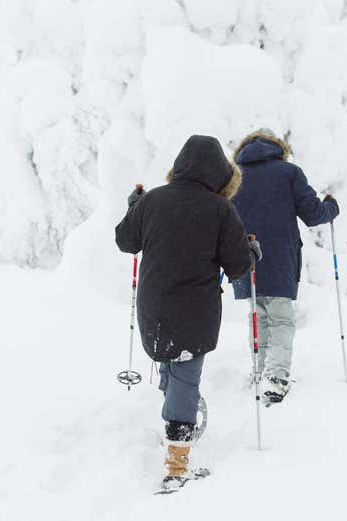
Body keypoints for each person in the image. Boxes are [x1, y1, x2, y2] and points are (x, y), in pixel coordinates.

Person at [115, 135, 261, 493]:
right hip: (194, 310)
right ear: (219, 174)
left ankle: (178, 409)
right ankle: (177, 461)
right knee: (184, 375)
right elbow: (239, 264)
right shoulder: (219, 208)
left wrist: (134, 206)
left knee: (169, 360)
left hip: (153, 305)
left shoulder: (152, 200)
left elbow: (125, 241)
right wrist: (252, 249)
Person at [230, 129, 339, 404]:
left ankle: (261, 371)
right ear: (278, 148)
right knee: (280, 317)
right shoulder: (289, 172)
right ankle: (275, 377)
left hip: (243, 254)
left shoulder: (234, 175)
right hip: (279, 255)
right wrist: (331, 208)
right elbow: (313, 214)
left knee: (258, 314)